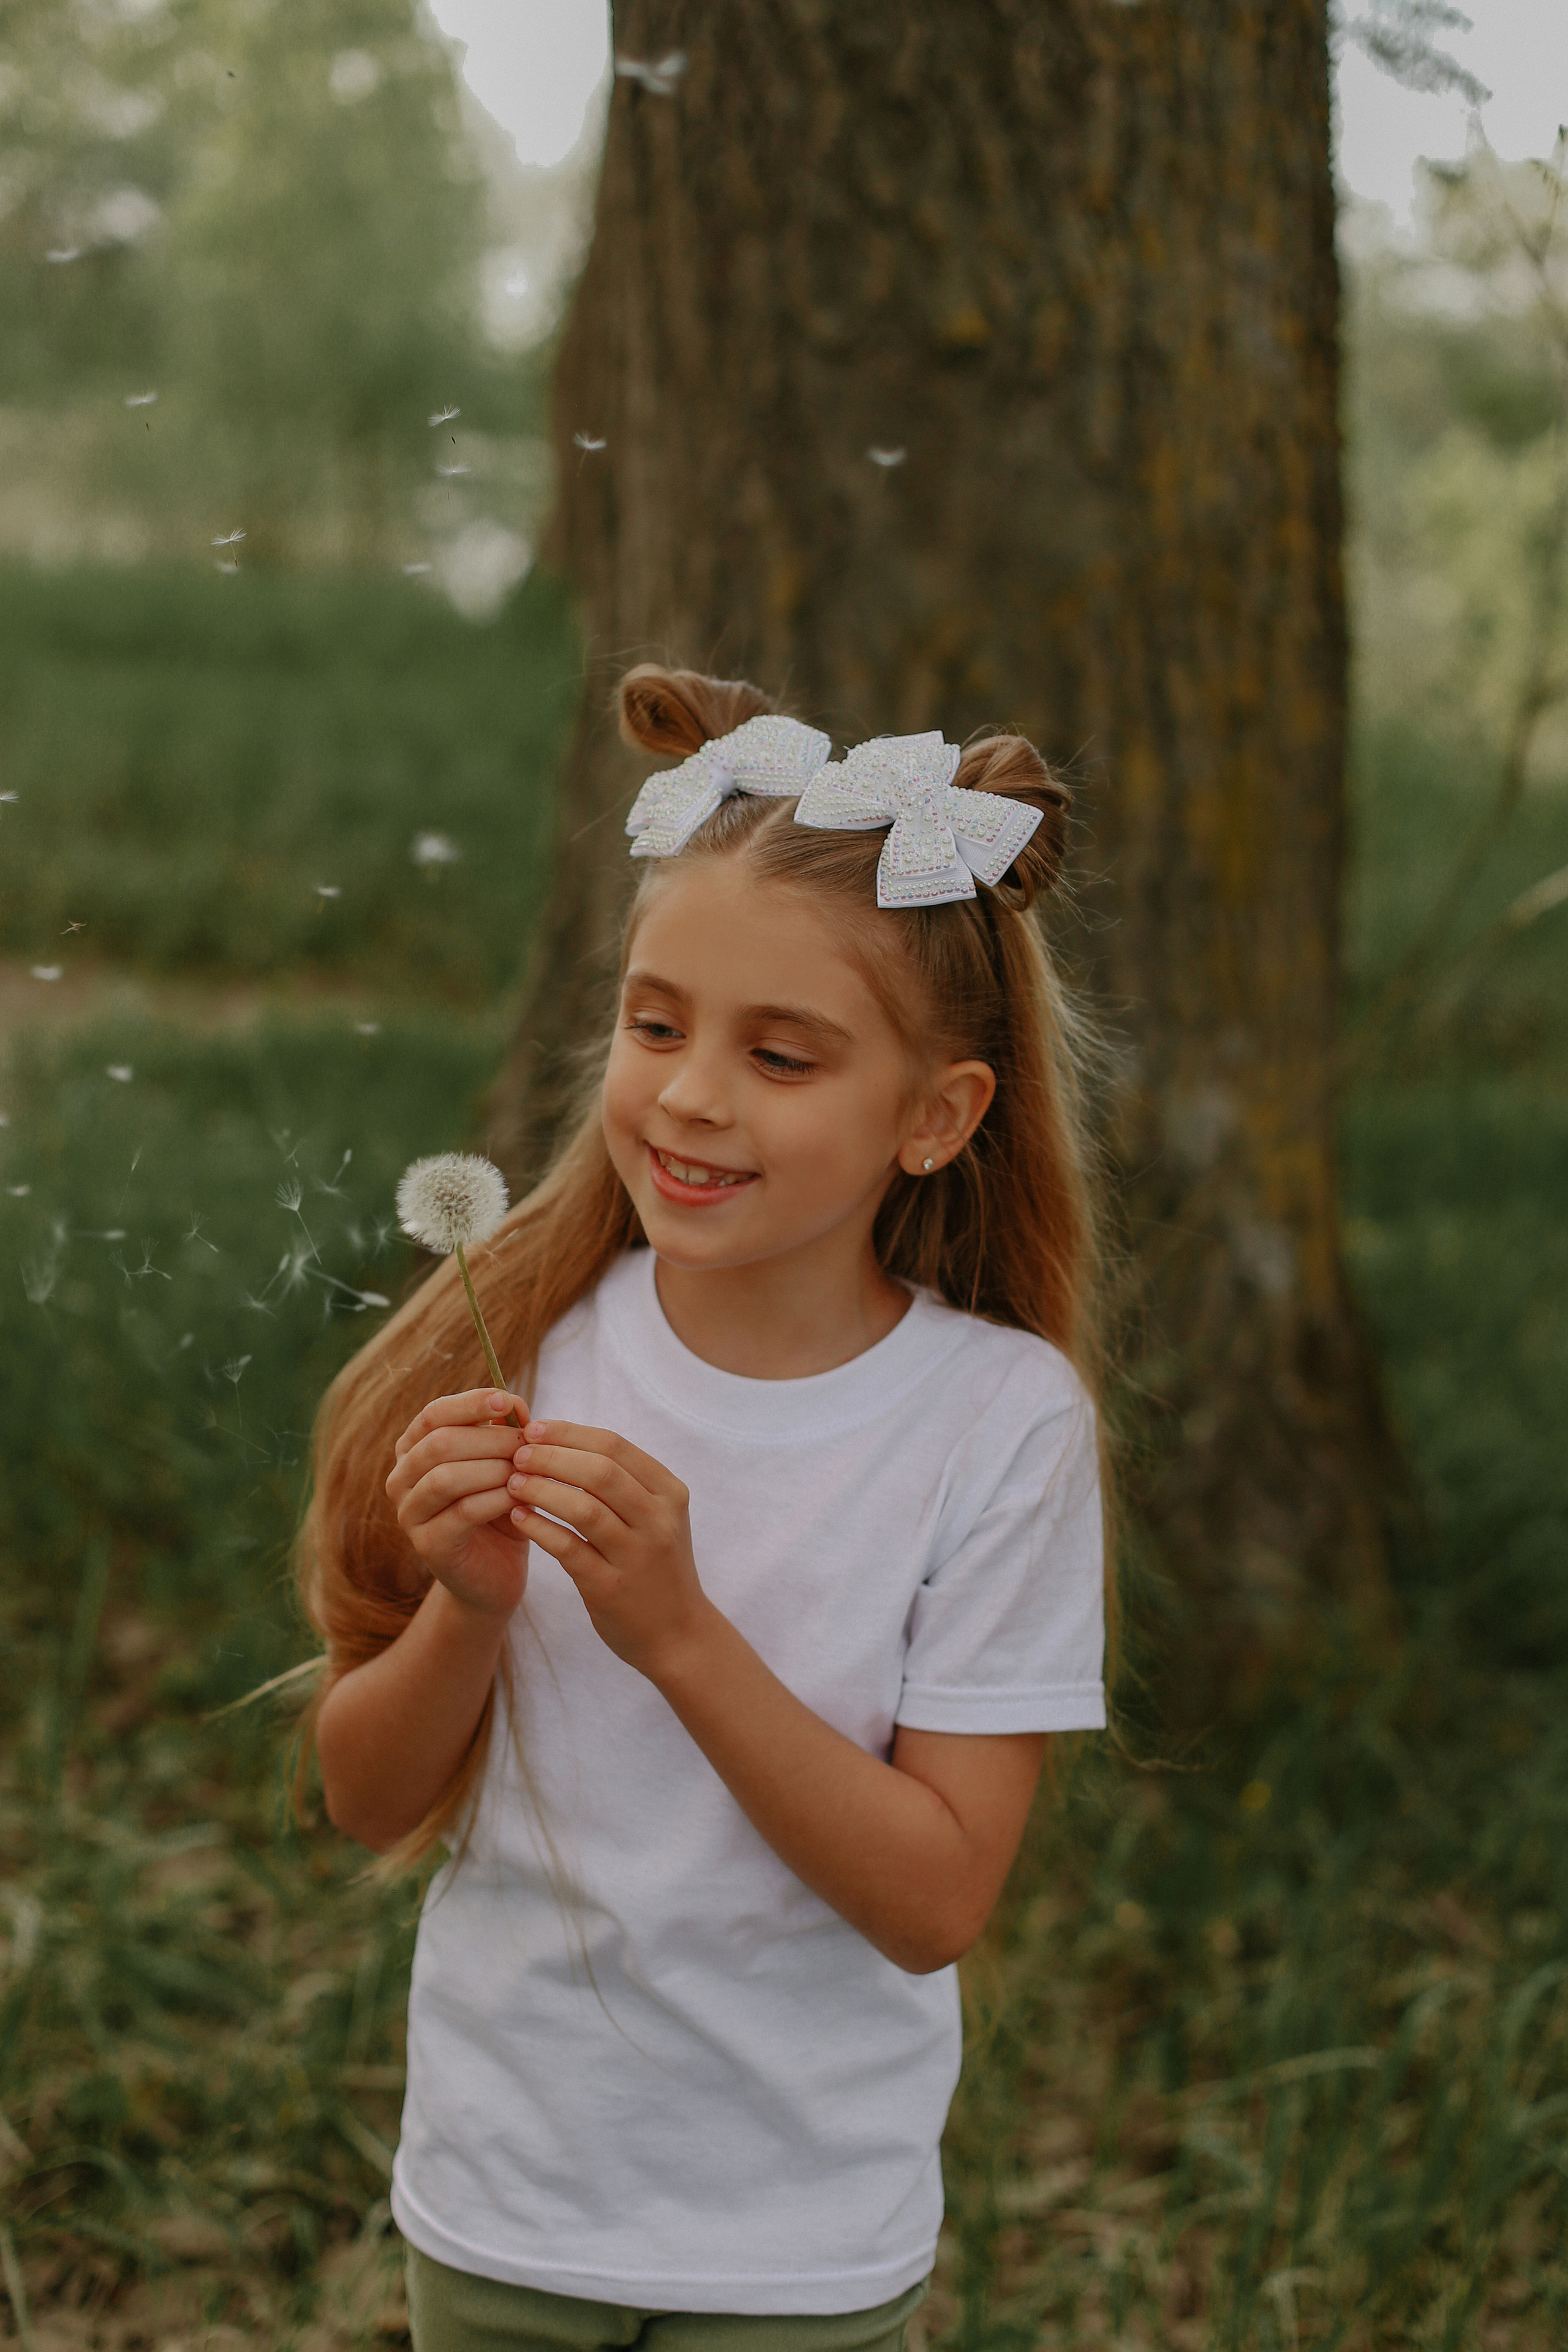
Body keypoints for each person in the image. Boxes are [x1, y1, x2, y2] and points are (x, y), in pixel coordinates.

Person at [297, 664, 1112, 2352]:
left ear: (936, 1118)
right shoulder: (518, 1344)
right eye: (655, 1023)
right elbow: (367, 1799)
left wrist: (677, 1636)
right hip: (507, 2208)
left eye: (782, 1056)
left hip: (799, 2250)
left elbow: (934, 1900)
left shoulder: (993, 1425)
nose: (689, 1096)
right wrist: (466, 1603)